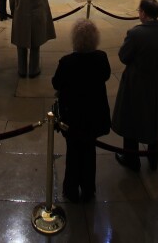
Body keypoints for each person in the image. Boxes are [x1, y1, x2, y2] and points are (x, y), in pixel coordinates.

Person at [112, 0, 158, 171]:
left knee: (131, 119)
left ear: (143, 13)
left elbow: (124, 57)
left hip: (137, 83)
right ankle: (153, 158)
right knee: (154, 117)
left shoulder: (136, 33)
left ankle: (131, 159)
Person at [52, 19, 111, 202]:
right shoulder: (101, 58)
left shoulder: (67, 62)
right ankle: (88, 188)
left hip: (73, 116)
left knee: (73, 152)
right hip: (94, 114)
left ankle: (70, 189)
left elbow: (56, 83)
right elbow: (106, 75)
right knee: (89, 151)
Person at [9, 0, 56, 78]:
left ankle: (22, 70)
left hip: (21, 15)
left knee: (21, 44)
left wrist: (14, 13)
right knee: (35, 44)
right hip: (37, 16)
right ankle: (34, 70)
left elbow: (12, 0)